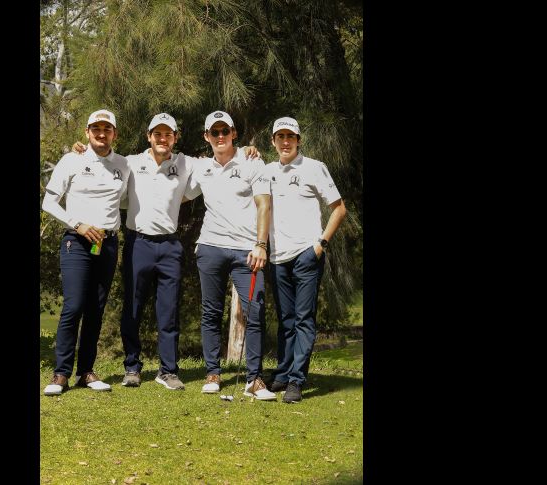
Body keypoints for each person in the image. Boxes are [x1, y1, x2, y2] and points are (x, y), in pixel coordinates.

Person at [72, 113, 260, 391]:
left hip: (170, 245)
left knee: (168, 310)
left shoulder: (185, 163)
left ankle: (168, 371)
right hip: (139, 243)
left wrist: (245, 151)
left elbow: (220, 155)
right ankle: (132, 367)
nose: (163, 139)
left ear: (175, 138)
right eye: (157, 134)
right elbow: (103, 161)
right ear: (149, 137)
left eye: (168, 134)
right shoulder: (131, 163)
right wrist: (81, 149)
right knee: (133, 309)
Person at [185, 110, 277, 400]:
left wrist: (261, 244)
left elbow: (264, 204)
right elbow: (165, 166)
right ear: (207, 137)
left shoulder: (252, 160)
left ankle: (254, 379)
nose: (221, 136)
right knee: (211, 312)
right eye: (215, 132)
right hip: (210, 247)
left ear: (234, 133)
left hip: (246, 251)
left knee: (255, 311)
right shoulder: (200, 167)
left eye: (225, 131)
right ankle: (213, 373)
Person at [41, 109, 130, 395]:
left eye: (107, 128)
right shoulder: (72, 160)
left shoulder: (123, 165)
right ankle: (60, 373)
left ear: (114, 133)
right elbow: (49, 202)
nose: (101, 133)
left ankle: (86, 372)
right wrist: (77, 224)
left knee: (96, 309)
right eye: (96, 129)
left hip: (107, 243)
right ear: (87, 132)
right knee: (75, 305)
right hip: (76, 242)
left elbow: (126, 200)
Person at [263, 117, 347, 403]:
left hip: (306, 255)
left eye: (290, 136)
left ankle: (297, 380)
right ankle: (284, 374)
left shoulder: (314, 167)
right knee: (286, 320)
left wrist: (321, 244)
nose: (285, 141)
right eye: (280, 136)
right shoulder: (267, 170)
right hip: (277, 257)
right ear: (273, 141)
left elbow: (339, 208)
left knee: (303, 320)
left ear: (298, 140)